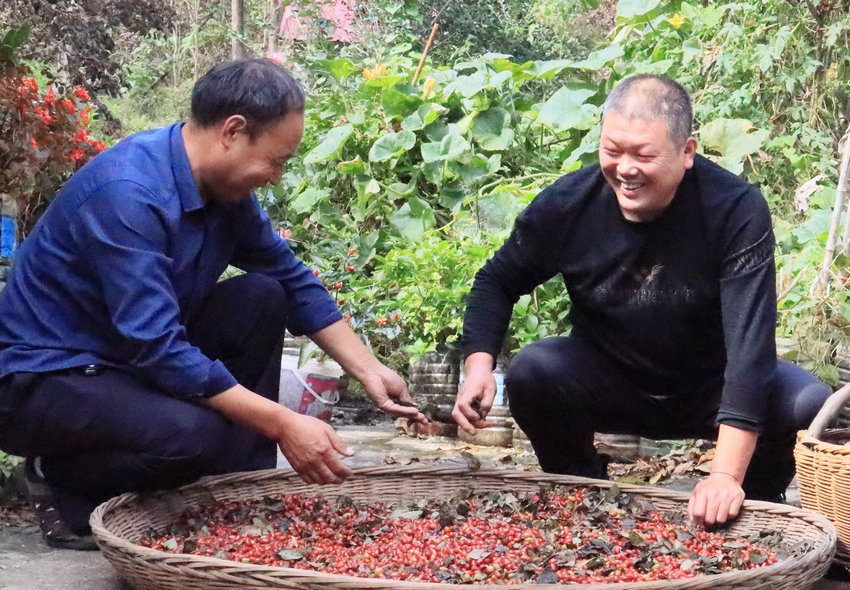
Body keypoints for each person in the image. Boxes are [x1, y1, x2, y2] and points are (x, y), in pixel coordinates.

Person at [0, 58, 426, 550]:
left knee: (263, 295)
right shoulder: (128, 194)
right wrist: (285, 423)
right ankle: (62, 479)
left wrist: (369, 370)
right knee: (193, 436)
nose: (277, 177)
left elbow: (292, 280)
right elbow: (159, 350)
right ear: (233, 131)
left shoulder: (226, 194)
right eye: (277, 160)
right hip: (45, 378)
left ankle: (237, 495)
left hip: (124, 360)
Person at [453, 74, 830, 527]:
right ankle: (580, 489)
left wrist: (724, 474)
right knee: (533, 370)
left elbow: (751, 348)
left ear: (687, 152)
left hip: (712, 385)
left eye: (644, 155)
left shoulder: (733, 208)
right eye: (612, 151)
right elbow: (497, 280)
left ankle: (755, 499)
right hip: (610, 381)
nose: (625, 168)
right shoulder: (569, 204)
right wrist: (478, 366)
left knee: (808, 402)